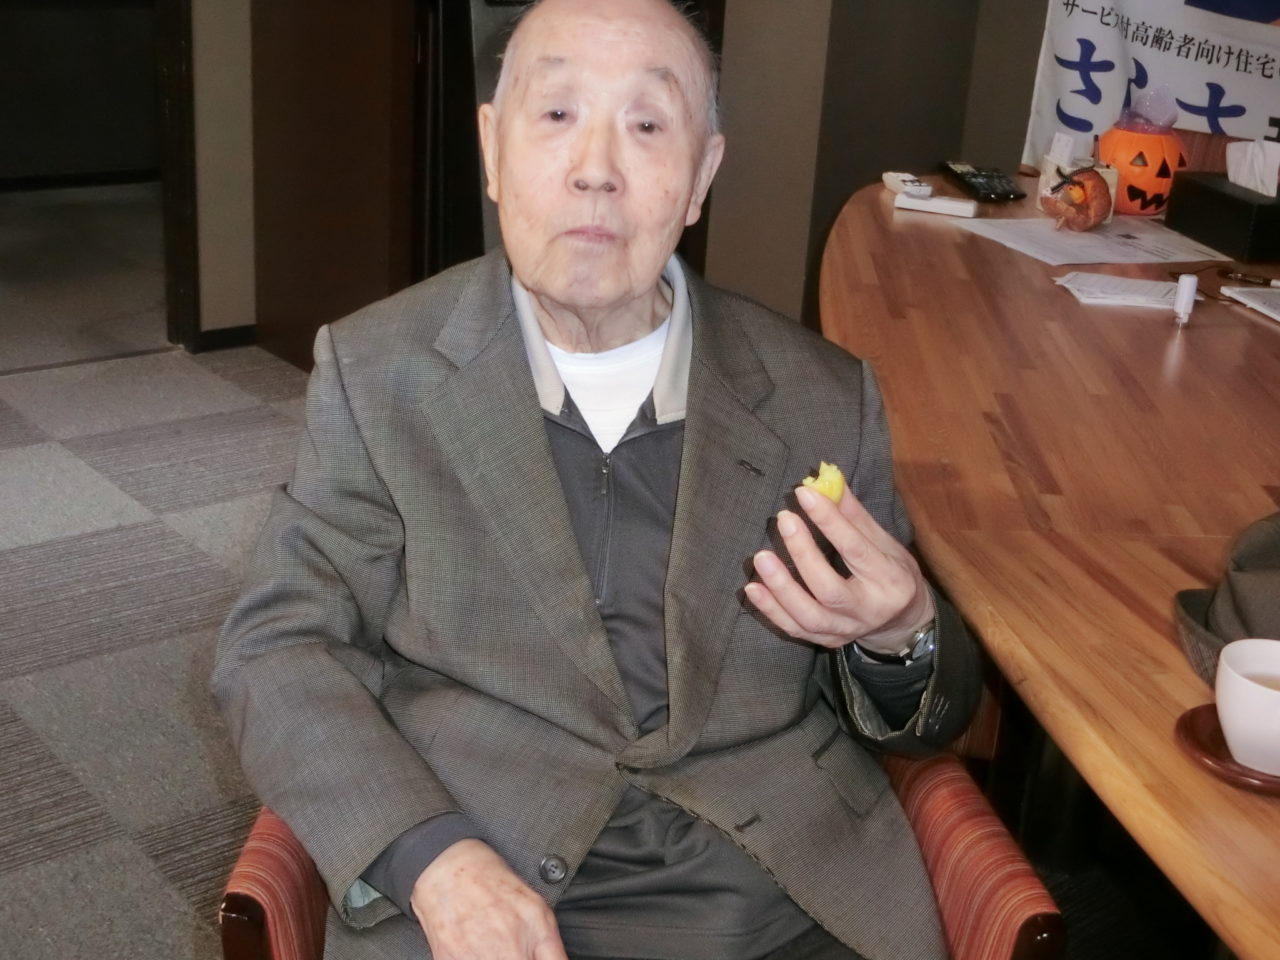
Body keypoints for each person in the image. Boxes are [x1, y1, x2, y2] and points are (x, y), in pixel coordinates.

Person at [212, 1, 982, 958]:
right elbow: (277, 647)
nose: (596, 169)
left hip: (776, 899)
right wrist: (434, 860)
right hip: (478, 870)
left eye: (647, 124)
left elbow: (923, 722)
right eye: (557, 113)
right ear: (492, 150)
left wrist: (902, 631)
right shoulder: (379, 374)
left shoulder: (824, 399)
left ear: (701, 177)